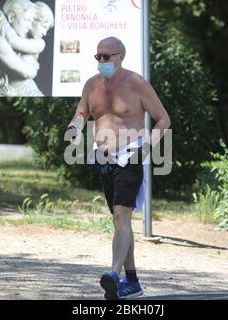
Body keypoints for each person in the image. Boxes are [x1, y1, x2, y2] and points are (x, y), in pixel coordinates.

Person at [66, 37, 171, 299]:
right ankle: (132, 282)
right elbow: (82, 112)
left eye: (106, 56)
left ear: (121, 56)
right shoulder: (92, 85)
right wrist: (75, 126)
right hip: (103, 158)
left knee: (122, 216)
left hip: (130, 156)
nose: (101, 61)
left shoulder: (136, 84)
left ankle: (113, 274)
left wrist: (145, 147)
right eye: (98, 57)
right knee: (119, 220)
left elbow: (163, 119)